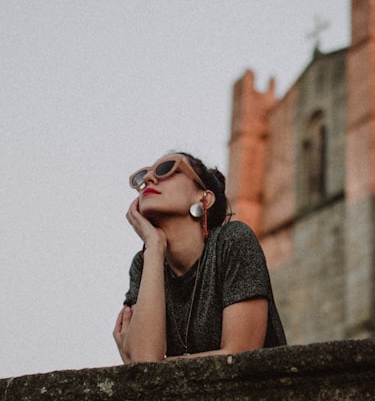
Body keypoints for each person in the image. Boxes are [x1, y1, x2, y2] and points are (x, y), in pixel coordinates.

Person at [113, 151, 286, 362]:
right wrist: (155, 246)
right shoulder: (144, 263)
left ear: (204, 197)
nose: (149, 178)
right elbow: (144, 362)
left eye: (167, 169)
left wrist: (160, 363)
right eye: (143, 176)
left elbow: (242, 354)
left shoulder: (232, 242)